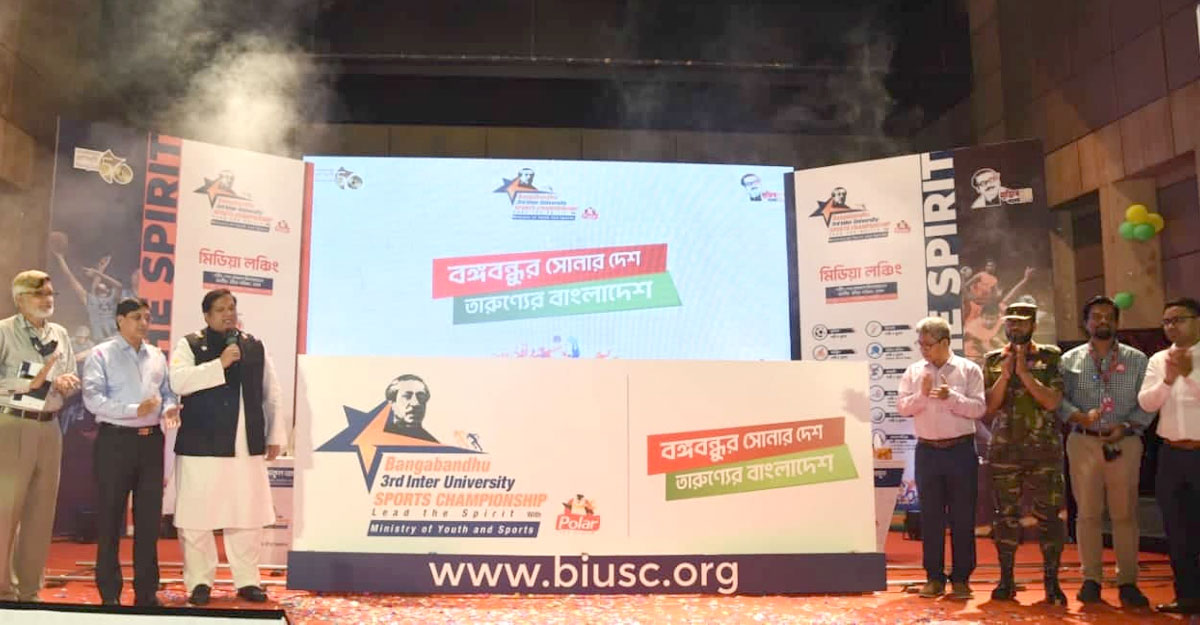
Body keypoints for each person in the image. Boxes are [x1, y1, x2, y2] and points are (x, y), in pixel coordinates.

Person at [168, 289, 287, 606]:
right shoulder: (190, 344)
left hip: (245, 445)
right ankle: (199, 582)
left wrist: (275, 434)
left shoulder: (253, 345)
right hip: (200, 445)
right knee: (196, 518)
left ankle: (247, 580)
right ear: (207, 316)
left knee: (246, 516)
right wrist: (218, 364)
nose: (228, 314)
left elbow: (271, 392)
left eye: (231, 308)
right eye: (220, 309)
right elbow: (178, 382)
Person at [81, 298, 180, 607]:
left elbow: (167, 392)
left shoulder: (157, 356)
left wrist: (169, 407)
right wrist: (133, 410)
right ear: (119, 320)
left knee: (149, 521)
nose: (144, 323)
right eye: (136, 317)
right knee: (110, 518)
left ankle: (146, 592)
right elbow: (92, 399)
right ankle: (110, 593)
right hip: (115, 441)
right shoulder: (101, 354)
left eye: (147, 317)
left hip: (151, 443)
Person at [1058, 296, 1152, 607]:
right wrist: (1077, 416)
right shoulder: (1069, 360)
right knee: (1087, 514)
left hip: (1124, 442)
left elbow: (1149, 402)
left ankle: (1128, 581)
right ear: (1085, 323)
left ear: (1117, 322)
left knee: (1125, 514)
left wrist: (1127, 426)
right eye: (1095, 316)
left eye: (1108, 316)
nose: (1102, 321)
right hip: (1083, 441)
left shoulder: (1137, 359)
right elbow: (1058, 400)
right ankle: (1091, 580)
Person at [0, 270, 79, 601]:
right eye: (38, 294)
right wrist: (29, 384)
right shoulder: (4, 331)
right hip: (13, 424)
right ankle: (4, 591)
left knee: (41, 512)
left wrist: (67, 382)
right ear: (19, 299)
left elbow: (70, 371)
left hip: (50, 426)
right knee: (6, 513)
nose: (47, 299)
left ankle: (30, 590)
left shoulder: (59, 333)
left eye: (50, 293)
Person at [896, 317, 987, 599]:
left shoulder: (968, 369)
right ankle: (934, 577)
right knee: (931, 517)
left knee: (962, 517)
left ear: (945, 343)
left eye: (928, 344)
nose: (923, 350)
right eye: (920, 344)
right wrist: (922, 396)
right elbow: (903, 408)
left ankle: (961, 579)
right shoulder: (914, 372)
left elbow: (979, 409)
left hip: (961, 451)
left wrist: (952, 397)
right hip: (927, 452)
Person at [983, 302, 1066, 604]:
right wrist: (1006, 375)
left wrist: (1024, 373)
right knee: (1005, 518)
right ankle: (1006, 580)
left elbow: (1052, 401)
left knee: (1049, 518)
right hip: (1005, 451)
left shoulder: (1050, 356)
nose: (1015, 326)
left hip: (1043, 451)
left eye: (1021, 322)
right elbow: (989, 407)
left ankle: (1052, 582)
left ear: (1033, 325)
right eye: (1011, 322)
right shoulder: (993, 359)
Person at [1138, 297, 1200, 615]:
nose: (1172, 326)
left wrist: (1188, 375)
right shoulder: (1159, 359)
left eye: (1179, 319)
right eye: (1167, 321)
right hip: (1172, 455)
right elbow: (1146, 403)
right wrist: (1168, 379)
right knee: (1177, 530)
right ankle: (1187, 597)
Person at [383, 374, 437, 442]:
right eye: (407, 396)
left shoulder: (432, 444)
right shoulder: (376, 439)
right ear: (392, 403)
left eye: (421, 397)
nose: (415, 403)